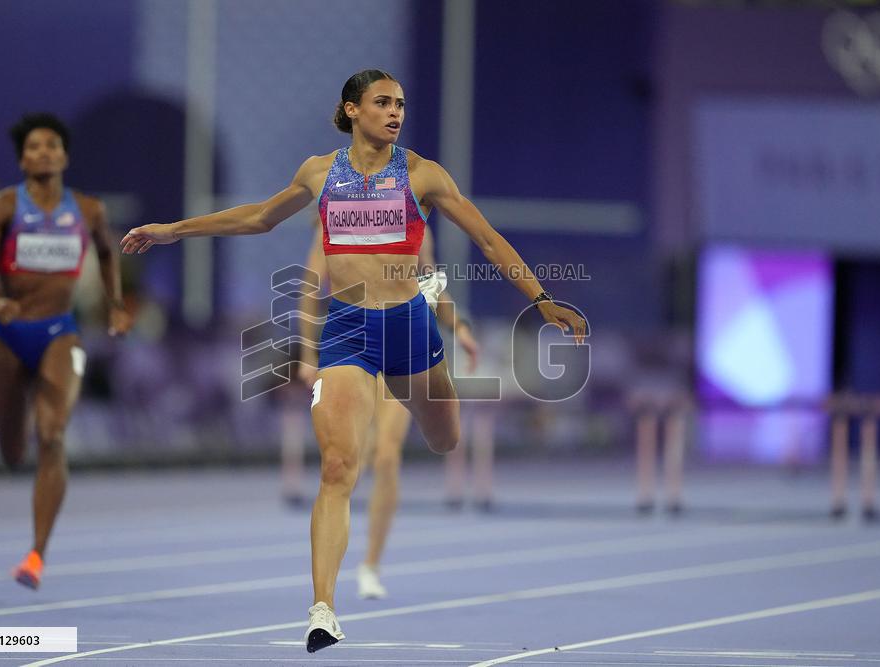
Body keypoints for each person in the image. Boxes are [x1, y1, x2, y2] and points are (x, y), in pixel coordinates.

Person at [122, 69, 586, 652]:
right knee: (339, 469)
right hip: (347, 332)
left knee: (444, 439)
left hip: (410, 330)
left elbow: (489, 241)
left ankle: (424, 405)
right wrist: (173, 231)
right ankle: (322, 609)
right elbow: (258, 218)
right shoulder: (320, 173)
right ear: (352, 110)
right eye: (382, 103)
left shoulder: (423, 175)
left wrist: (543, 301)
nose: (395, 113)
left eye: (400, 104)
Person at [0, 113, 132, 588]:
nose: (43, 152)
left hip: (62, 331)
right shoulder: (1, 208)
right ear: (22, 158)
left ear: (64, 155)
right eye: (34, 147)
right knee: (12, 451)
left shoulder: (88, 209)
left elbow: (106, 252)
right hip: (10, 334)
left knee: (53, 432)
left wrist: (115, 305)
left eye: (52, 145)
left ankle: (36, 555)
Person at [297, 222, 479, 600]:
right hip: (352, 346)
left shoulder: (415, 224)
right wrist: (306, 354)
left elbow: (431, 284)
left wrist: (457, 326)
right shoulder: (333, 221)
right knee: (348, 460)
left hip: (400, 344)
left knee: (386, 453)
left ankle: (371, 564)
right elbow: (311, 287)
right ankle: (332, 566)